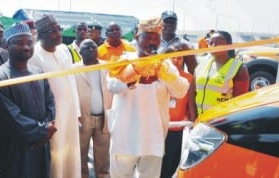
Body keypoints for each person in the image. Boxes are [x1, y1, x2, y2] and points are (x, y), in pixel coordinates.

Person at [106, 16, 189, 178]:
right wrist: (134, 74)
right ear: (137, 37)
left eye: (156, 38)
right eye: (148, 38)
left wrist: (163, 75)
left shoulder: (164, 65)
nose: (153, 42)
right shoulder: (123, 61)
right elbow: (112, 86)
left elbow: (181, 90)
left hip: (153, 136)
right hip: (125, 135)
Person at [0, 22, 57, 178]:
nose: (26, 47)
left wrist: (48, 125)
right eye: (19, 43)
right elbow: (11, 118)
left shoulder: (38, 72)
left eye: (29, 43)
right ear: (7, 45)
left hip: (41, 144)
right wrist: (42, 130)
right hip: (15, 147)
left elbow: (50, 102)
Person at [29, 14, 82, 178]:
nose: (58, 33)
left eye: (59, 29)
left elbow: (71, 81)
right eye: (53, 31)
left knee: (71, 152)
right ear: (41, 34)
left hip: (71, 111)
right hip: (53, 115)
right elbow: (35, 92)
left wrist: (78, 112)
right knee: (56, 154)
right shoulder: (35, 55)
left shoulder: (63, 50)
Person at [74, 39, 112, 178]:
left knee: (103, 153)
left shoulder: (107, 67)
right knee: (81, 151)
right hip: (83, 118)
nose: (91, 50)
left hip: (104, 117)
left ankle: (102, 175)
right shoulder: (73, 69)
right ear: (80, 52)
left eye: (93, 47)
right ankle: (82, 175)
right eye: (87, 48)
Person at [160, 43, 197, 178]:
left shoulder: (188, 78)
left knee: (173, 163)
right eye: (173, 58)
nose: (176, 61)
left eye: (180, 58)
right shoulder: (160, 76)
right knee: (160, 163)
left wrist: (194, 122)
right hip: (161, 127)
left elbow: (191, 102)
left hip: (178, 128)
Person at [195, 30, 250, 115]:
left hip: (221, 122)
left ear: (229, 46)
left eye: (218, 43)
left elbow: (238, 104)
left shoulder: (239, 68)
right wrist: (193, 118)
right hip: (200, 121)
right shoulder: (202, 65)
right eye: (210, 43)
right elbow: (192, 93)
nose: (213, 46)